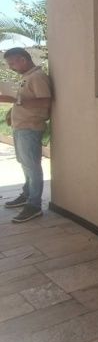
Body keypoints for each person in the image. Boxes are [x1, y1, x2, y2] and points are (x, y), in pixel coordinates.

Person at [0, 48, 52, 223]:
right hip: (21, 128)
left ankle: (34, 206)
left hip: (30, 128)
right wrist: (12, 111)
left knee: (32, 167)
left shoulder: (37, 77)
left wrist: (15, 100)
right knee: (25, 165)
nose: (10, 67)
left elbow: (46, 101)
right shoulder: (27, 77)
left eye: (12, 63)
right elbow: (25, 102)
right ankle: (27, 194)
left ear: (23, 60)